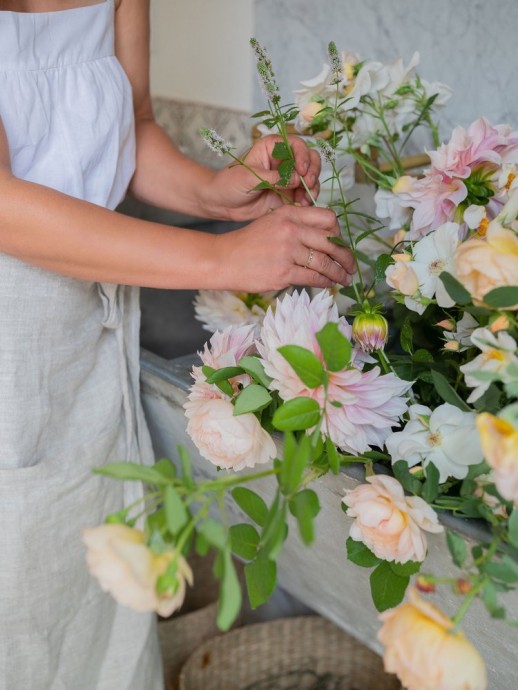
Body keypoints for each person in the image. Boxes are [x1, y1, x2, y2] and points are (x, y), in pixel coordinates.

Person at [0, 1, 355, 689]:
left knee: (94, 612)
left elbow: (132, 129)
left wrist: (220, 194)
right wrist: (223, 259)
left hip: (89, 342)